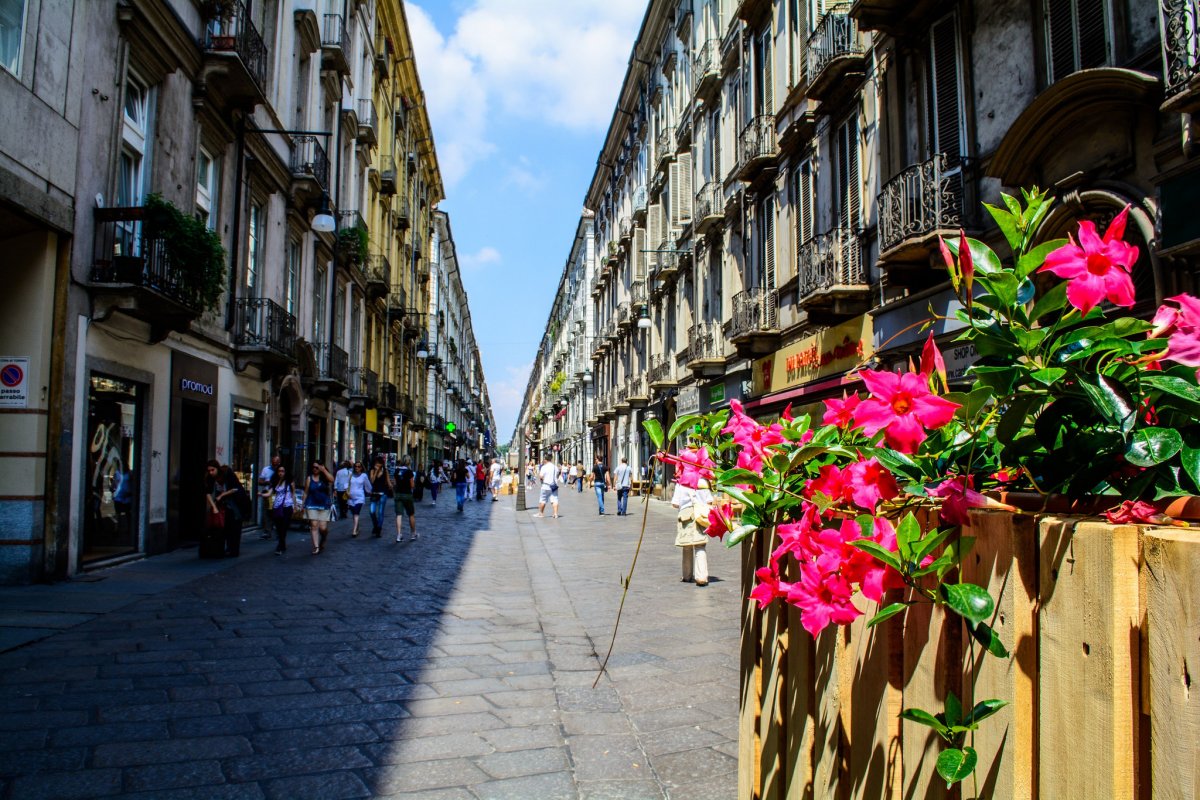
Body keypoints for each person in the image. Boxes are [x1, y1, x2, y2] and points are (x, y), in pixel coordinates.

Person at [671, 476, 713, 587]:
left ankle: (687, 575)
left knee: (687, 546)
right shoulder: (704, 481)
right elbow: (709, 501)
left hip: (686, 515)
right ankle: (701, 577)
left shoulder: (681, 482)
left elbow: (675, 503)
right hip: (701, 515)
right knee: (700, 546)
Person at [206, 461, 244, 558]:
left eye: (212, 470)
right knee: (224, 526)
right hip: (222, 504)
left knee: (234, 526)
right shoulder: (210, 478)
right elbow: (208, 493)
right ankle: (224, 548)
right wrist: (214, 507)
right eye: (209, 470)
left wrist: (222, 495)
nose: (211, 472)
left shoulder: (227, 474)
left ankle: (233, 549)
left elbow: (235, 489)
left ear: (217, 468)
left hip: (234, 502)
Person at [262, 465, 295, 555]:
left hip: (287, 507)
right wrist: (261, 495)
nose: (281, 473)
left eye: (283, 471)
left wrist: (295, 506)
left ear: (285, 472)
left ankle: (280, 546)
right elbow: (269, 493)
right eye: (279, 471)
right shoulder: (275, 482)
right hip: (277, 507)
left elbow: (293, 494)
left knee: (284, 527)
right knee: (279, 528)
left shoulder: (289, 482)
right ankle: (282, 545)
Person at [303, 461, 335, 554]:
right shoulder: (309, 478)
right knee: (314, 525)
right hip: (311, 504)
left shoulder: (324, 477)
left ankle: (324, 538)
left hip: (324, 505)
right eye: (313, 467)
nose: (315, 469)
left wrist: (324, 470)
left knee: (323, 528)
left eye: (317, 467)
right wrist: (303, 504)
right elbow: (306, 492)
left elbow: (332, 480)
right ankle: (316, 546)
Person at [393, 455, 418, 542]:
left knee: (399, 515)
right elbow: (412, 485)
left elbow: (395, 484)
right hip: (407, 494)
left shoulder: (396, 471)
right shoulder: (409, 472)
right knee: (411, 514)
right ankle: (413, 533)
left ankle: (399, 534)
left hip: (398, 494)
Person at [368, 455, 392, 537]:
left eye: (379, 463)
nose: (378, 465)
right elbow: (372, 481)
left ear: (382, 464)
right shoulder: (372, 470)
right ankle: (375, 525)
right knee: (372, 511)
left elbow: (388, 482)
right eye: (376, 463)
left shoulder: (385, 471)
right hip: (374, 493)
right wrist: (375, 472)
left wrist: (391, 486)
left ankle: (379, 529)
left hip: (383, 493)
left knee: (381, 512)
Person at [257, 454, 281, 539]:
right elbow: (260, 481)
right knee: (267, 512)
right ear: (271, 462)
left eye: (277, 463)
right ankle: (267, 531)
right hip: (267, 491)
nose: (275, 465)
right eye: (274, 463)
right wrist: (267, 482)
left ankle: (278, 531)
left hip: (278, 493)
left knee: (277, 512)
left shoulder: (281, 471)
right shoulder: (266, 469)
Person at [535, 453, 559, 518]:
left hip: (545, 486)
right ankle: (555, 514)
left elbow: (541, 476)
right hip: (554, 486)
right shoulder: (555, 467)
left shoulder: (544, 467)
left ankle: (541, 513)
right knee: (555, 500)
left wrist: (543, 479)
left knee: (543, 500)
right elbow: (557, 475)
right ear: (551, 459)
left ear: (545, 459)